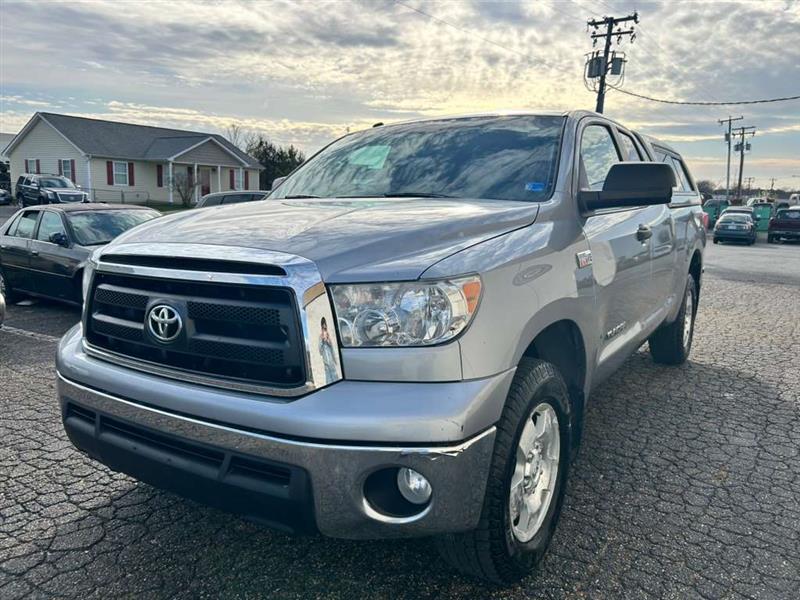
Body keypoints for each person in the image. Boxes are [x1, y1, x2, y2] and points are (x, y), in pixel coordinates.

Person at [319, 317, 337, 384]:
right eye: (323, 325)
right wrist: (323, 340)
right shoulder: (320, 336)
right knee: (328, 373)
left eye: (325, 324)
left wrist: (328, 341)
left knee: (333, 372)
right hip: (325, 357)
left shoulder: (328, 335)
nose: (324, 326)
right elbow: (320, 350)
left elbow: (331, 347)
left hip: (330, 357)